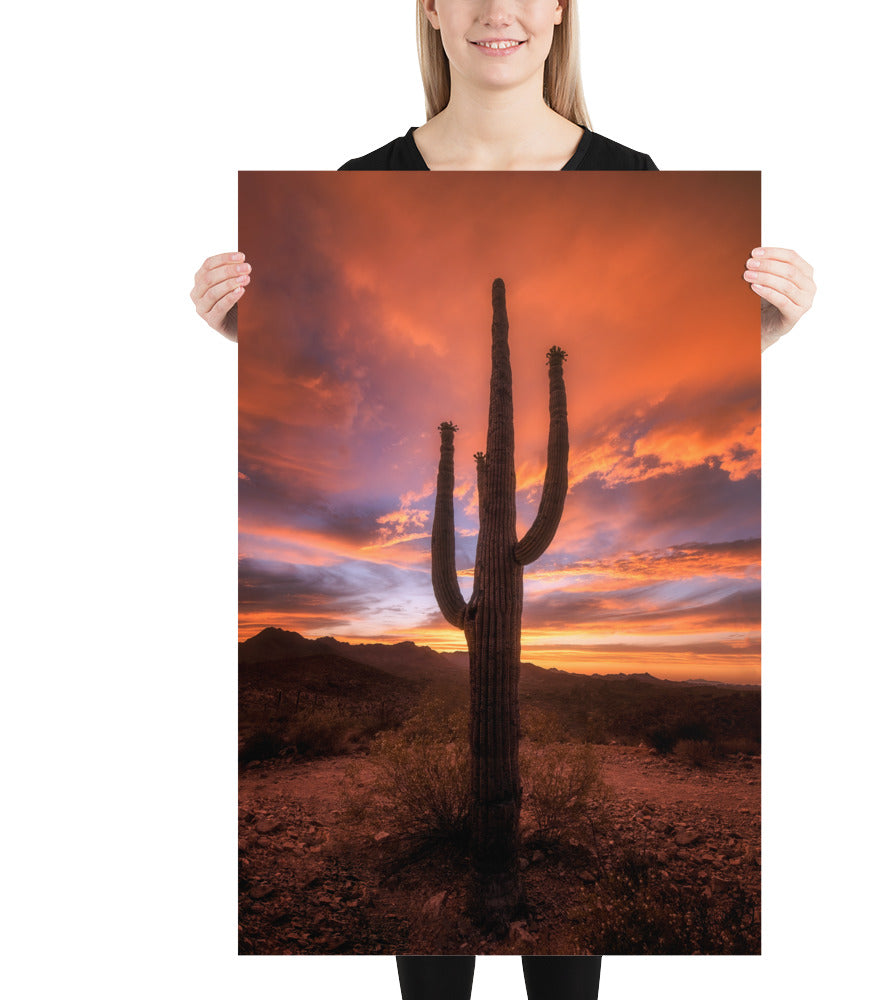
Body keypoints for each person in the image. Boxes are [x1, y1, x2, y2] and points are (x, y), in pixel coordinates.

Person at [196, 2, 815, 996]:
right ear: (429, 10)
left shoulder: (631, 179)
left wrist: (766, 335)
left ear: (562, 8)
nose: (497, 6)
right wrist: (240, 337)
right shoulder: (361, 185)